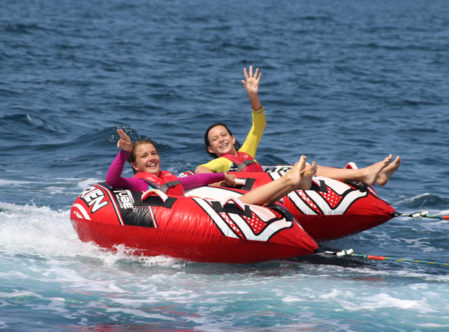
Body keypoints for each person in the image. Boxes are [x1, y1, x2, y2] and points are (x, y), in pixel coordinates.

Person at [195, 66, 401, 187]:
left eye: (224, 135)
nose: (221, 139)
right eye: (215, 139)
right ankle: (364, 174)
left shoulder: (246, 151)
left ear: (232, 139)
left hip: (269, 183)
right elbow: (200, 170)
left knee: (308, 168)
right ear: (210, 149)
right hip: (263, 189)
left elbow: (259, 125)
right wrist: (221, 179)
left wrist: (253, 95)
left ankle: (367, 176)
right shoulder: (222, 163)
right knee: (300, 169)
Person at [106, 129, 318, 207]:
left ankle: (292, 184)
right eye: (144, 156)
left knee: (251, 204)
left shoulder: (169, 178)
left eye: (154, 153)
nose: (152, 158)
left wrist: (224, 176)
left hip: (190, 213)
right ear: (134, 165)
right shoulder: (136, 182)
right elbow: (112, 180)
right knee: (242, 203)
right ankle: (289, 181)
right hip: (176, 219)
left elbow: (195, 180)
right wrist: (124, 152)